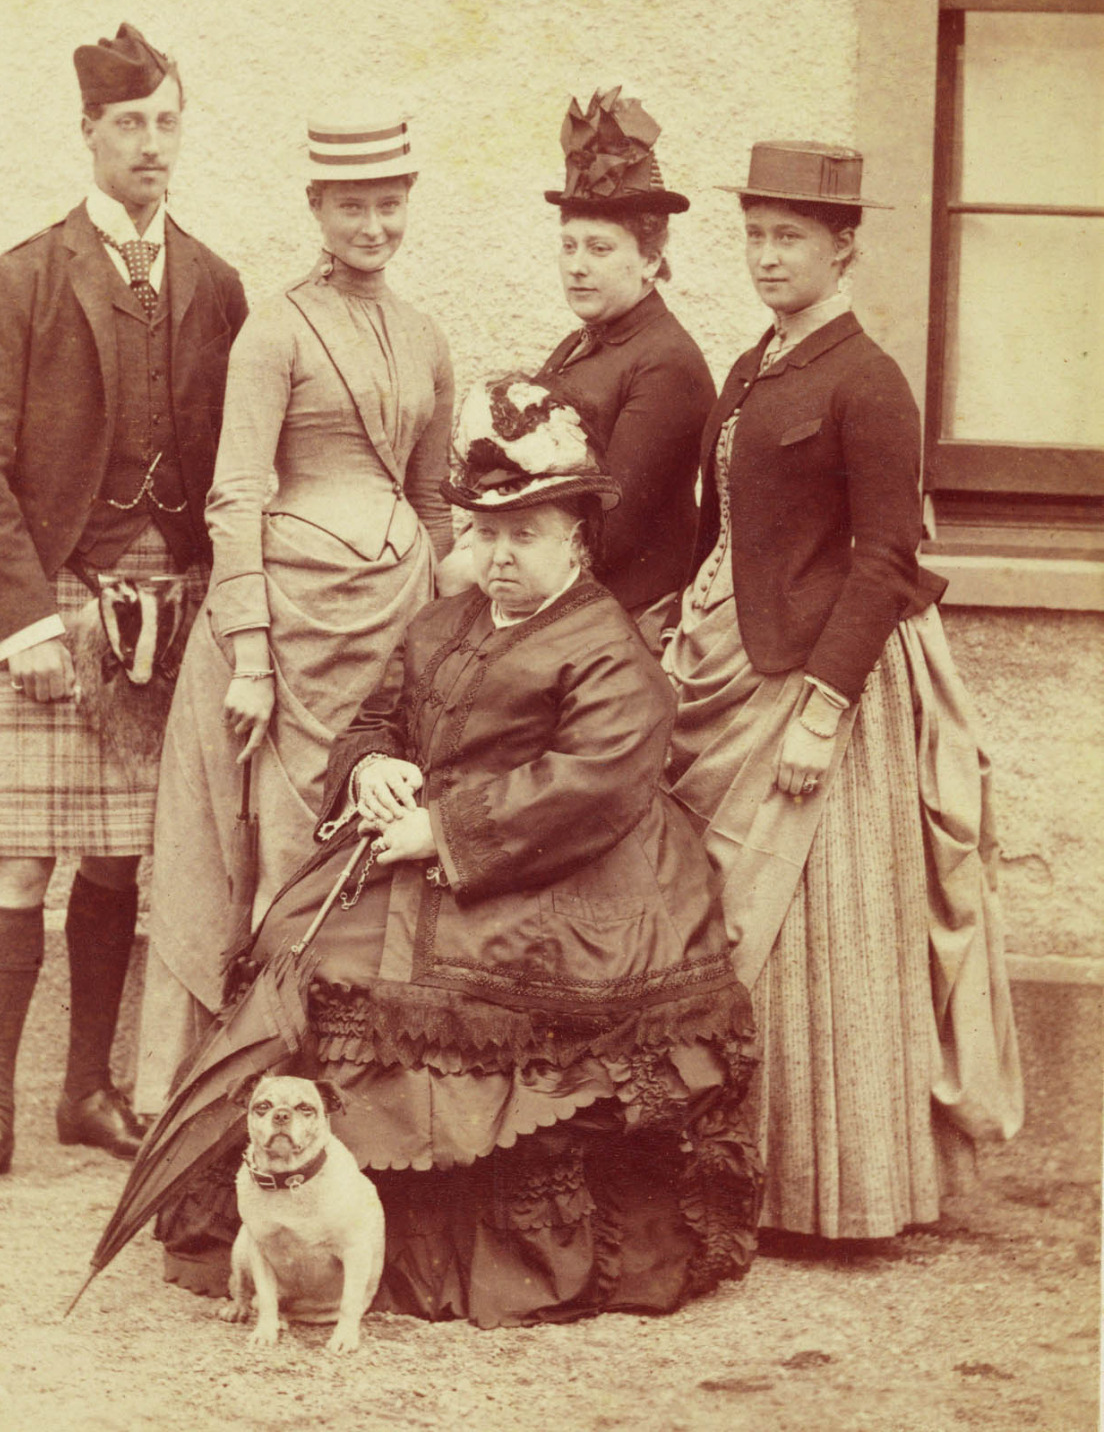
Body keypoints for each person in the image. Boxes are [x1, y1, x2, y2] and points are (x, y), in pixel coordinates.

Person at [158, 377, 761, 1325]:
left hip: (566, 874)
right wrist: (371, 769)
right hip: (429, 853)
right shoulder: (446, 620)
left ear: (576, 539)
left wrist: (441, 829)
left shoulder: (609, 648)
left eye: (526, 534)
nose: (500, 555)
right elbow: (376, 715)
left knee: (422, 992)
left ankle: (438, 1247)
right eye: (487, 533)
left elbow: (591, 783)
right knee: (305, 951)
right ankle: (316, 1224)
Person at [664, 140, 1023, 1241]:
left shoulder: (869, 380)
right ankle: (742, 1180)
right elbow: (720, 528)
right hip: (730, 662)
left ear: (843, 248)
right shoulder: (751, 366)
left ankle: (833, 1192)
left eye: (790, 238)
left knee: (815, 936)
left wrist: (823, 709)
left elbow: (884, 560)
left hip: (823, 682)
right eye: (754, 236)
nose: (767, 257)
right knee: (734, 928)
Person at [0, 23, 248, 1199]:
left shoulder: (213, 283)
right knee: (21, 861)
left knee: (120, 862)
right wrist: (21, 624)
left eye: (166, 122)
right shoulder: (25, 277)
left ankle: (88, 1091)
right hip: (55, 603)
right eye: (129, 124)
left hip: (171, 606)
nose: (151, 144)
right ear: (88, 133)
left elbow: (234, 464)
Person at [136, 109, 455, 1115]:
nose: (373, 225)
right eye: (351, 205)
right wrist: (249, 656)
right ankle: (258, 1085)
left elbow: (434, 500)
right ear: (317, 207)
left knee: (374, 844)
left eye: (389, 204)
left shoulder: (426, 335)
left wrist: (445, 636)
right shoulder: (274, 330)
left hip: (392, 620)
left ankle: (353, 1092)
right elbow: (234, 495)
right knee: (282, 852)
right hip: (291, 631)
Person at [537, 88, 714, 641]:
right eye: (568, 246)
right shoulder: (579, 342)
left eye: (600, 249)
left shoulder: (665, 361)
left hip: (626, 620)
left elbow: (610, 532)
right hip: (567, 598)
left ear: (651, 260)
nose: (577, 266)